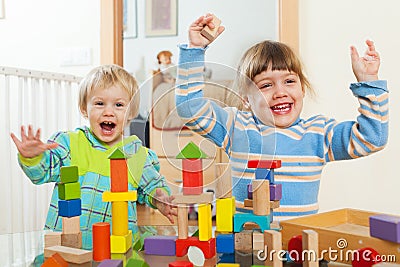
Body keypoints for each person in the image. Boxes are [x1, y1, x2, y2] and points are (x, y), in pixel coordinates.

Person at [175, 14, 388, 221]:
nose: (280, 92)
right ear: (246, 100)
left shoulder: (318, 133)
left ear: (302, 88)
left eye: (289, 81)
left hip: (299, 249)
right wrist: (194, 51)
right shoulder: (236, 127)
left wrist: (369, 82)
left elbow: (372, 138)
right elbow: (189, 108)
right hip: (247, 247)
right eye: (266, 85)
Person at [10, 64, 177, 249]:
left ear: (130, 113)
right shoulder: (69, 144)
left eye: (119, 105)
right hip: (68, 246)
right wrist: (33, 157)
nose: (108, 111)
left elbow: (152, 186)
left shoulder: (136, 154)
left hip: (116, 247)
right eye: (99, 103)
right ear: (84, 108)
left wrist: (160, 199)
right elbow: (42, 173)